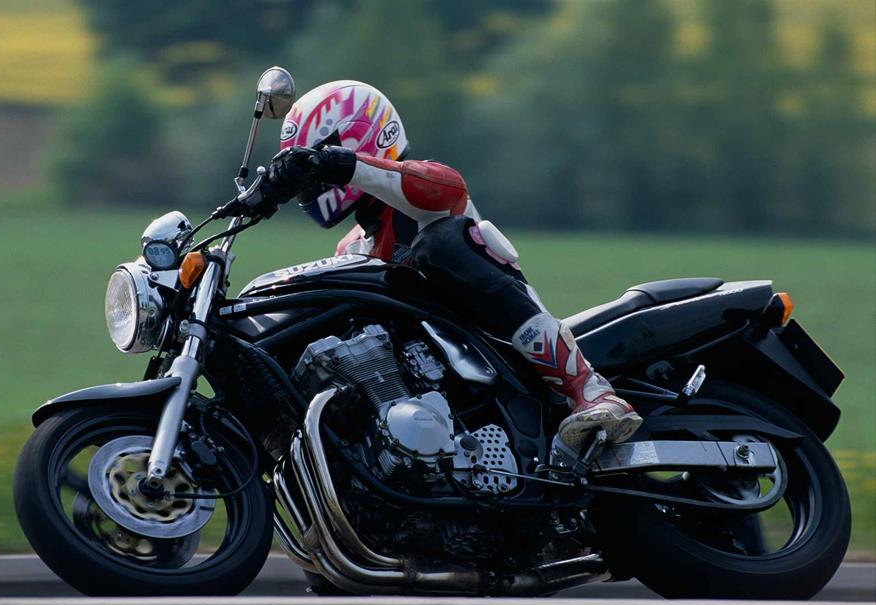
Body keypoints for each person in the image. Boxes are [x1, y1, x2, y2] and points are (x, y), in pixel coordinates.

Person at [246, 80, 641, 451]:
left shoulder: (425, 192)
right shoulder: (352, 248)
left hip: (496, 351)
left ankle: (590, 390)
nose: (310, 180)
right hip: (436, 390)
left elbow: (442, 188)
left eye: (314, 157)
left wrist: (340, 164)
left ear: (357, 138)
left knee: (445, 243)